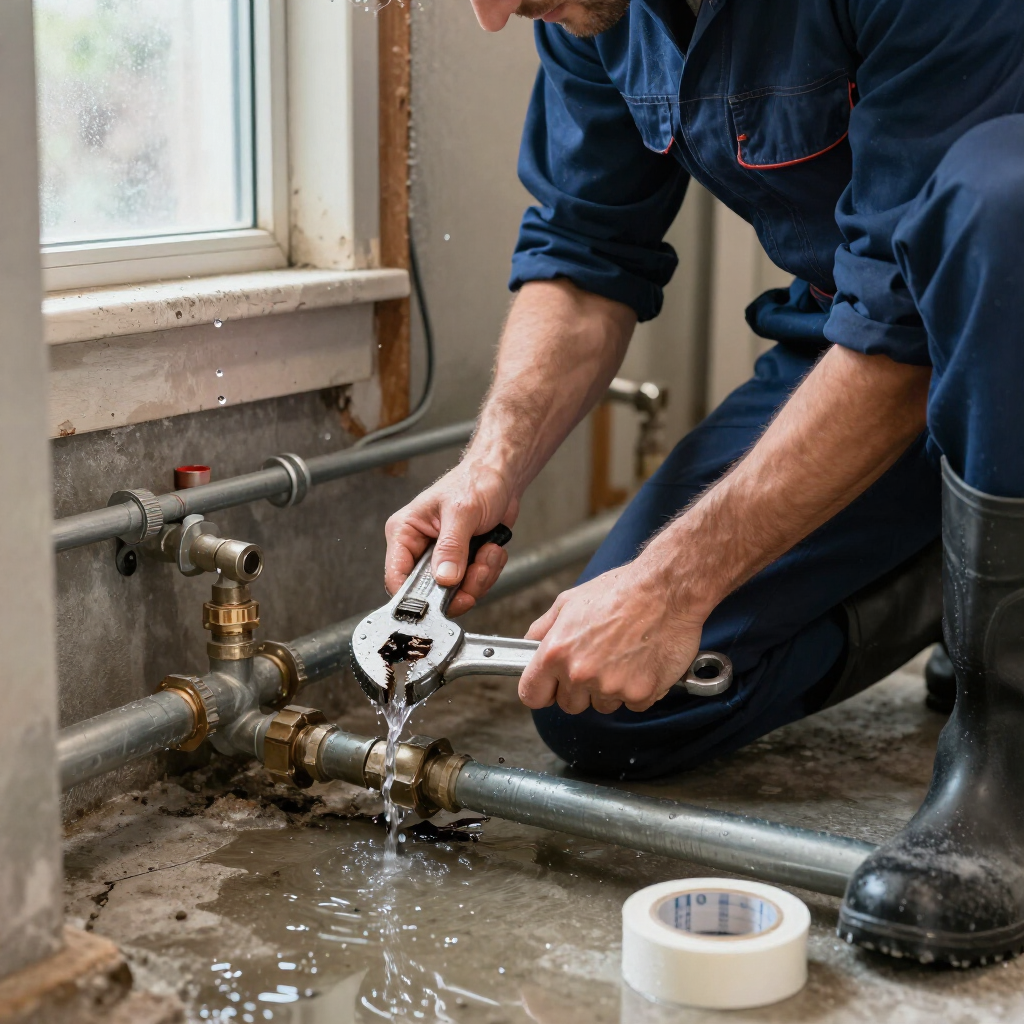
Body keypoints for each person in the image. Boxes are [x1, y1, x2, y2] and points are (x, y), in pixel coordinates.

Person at [383, 0, 1024, 966]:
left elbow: (911, 318)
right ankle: (962, 566)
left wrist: (675, 581)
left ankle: (1003, 756)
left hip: (995, 328)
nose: (491, 15)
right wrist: (491, 466)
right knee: (605, 702)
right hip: (868, 348)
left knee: (1004, 194)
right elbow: (588, 251)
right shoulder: (587, 10)